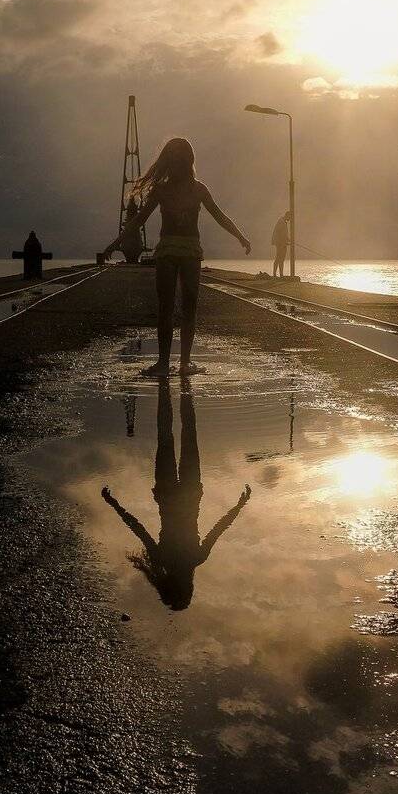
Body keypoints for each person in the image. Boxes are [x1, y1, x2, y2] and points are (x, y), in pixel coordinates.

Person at [101, 136, 250, 377]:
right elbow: (221, 217)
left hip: (170, 251)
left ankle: (163, 363)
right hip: (188, 252)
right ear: (191, 160)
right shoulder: (198, 189)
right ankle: (184, 363)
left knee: (166, 309)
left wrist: (115, 243)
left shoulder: (164, 189)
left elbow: (137, 221)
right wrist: (241, 237)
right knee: (187, 309)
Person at [102, 384, 251, 610]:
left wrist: (240, 505)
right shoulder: (162, 560)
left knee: (189, 433)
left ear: (188, 587)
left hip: (190, 494)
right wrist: (114, 505)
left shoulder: (196, 558)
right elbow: (138, 529)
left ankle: (184, 385)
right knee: (166, 435)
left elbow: (219, 528)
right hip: (167, 493)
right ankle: (165, 388)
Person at [271, 209, 291, 278]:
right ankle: (275, 274)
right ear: (287, 216)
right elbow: (279, 234)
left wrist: (288, 240)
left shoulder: (283, 222)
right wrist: (285, 241)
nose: (290, 219)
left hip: (282, 243)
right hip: (280, 243)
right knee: (278, 258)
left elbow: (284, 234)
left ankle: (280, 274)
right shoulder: (281, 221)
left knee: (281, 259)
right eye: (290, 217)